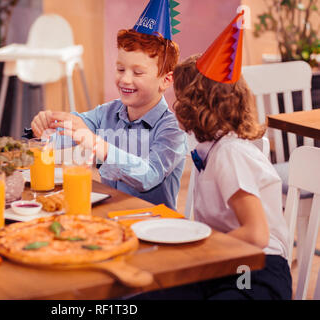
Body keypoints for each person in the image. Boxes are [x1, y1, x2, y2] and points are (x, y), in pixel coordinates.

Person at [131, 12, 292, 300]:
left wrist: (199, 248)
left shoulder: (230, 153)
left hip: (255, 269)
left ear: (196, 104)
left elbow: (256, 235)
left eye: (179, 97)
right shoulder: (211, 149)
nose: (174, 105)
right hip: (226, 262)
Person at [31, 0, 187, 210]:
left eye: (138, 72)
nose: (125, 80)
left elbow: (149, 175)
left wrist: (97, 144)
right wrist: (45, 129)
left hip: (155, 225)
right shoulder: (107, 113)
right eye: (121, 69)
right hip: (110, 217)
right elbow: (69, 132)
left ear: (166, 80)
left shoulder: (172, 128)